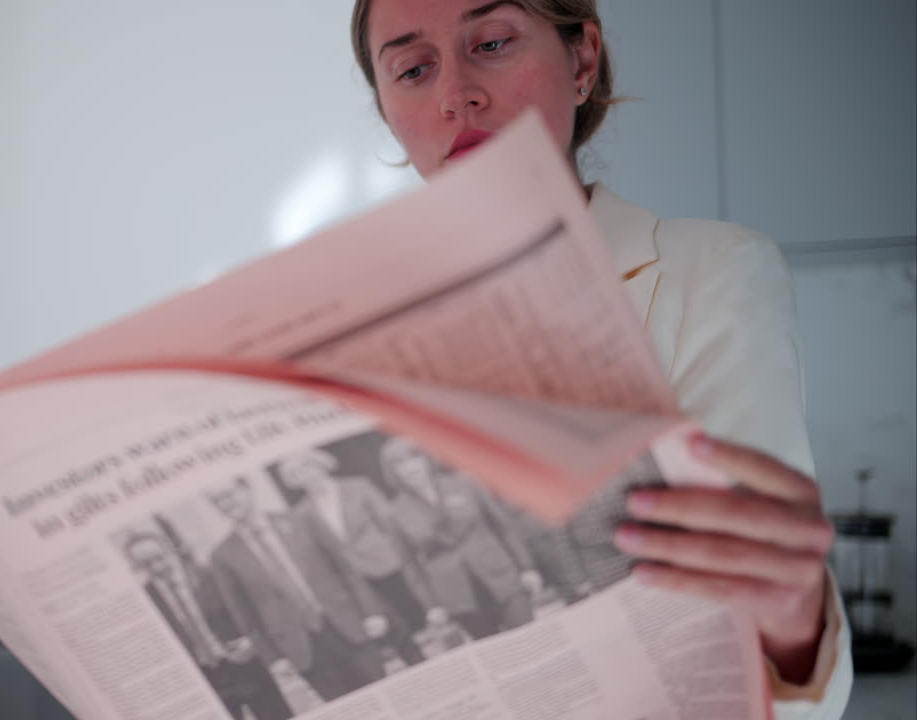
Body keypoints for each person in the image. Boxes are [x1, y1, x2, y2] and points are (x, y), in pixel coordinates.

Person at [348, 1, 851, 717]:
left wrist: (795, 631)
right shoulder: (352, 338)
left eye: (490, 42)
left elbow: (768, 652)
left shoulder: (711, 271)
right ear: (388, 109)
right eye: (412, 69)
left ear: (581, 61)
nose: (455, 93)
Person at [206, 477, 386, 703]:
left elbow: (346, 569)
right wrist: (273, 658)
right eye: (217, 501)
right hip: (302, 648)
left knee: (383, 693)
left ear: (246, 489)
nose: (226, 503)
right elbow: (245, 616)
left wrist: (371, 612)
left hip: (348, 625)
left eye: (229, 494)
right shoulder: (223, 556)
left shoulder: (301, 519)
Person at [274, 449, 441, 665]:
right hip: (356, 581)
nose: (304, 475)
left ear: (320, 465)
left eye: (307, 466)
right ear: (292, 482)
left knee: (421, 620)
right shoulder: (302, 513)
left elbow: (389, 525)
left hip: (390, 566)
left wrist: (402, 560)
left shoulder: (357, 486)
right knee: (394, 632)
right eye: (295, 474)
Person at [380, 435, 543, 640]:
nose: (410, 467)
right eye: (399, 464)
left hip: (502, 577)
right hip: (458, 596)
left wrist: (526, 567)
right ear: (393, 473)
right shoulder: (395, 513)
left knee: (532, 639)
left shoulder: (464, 483)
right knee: (497, 656)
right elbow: (410, 566)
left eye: (414, 458)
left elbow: (503, 528)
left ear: (426, 458)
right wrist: (432, 606)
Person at [124, 531, 293, 720]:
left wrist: (251, 640)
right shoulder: (146, 598)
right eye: (147, 564)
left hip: (244, 664)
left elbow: (248, 608)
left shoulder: (208, 574)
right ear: (138, 567)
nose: (158, 567)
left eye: (159, 557)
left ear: (170, 550)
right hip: (205, 680)